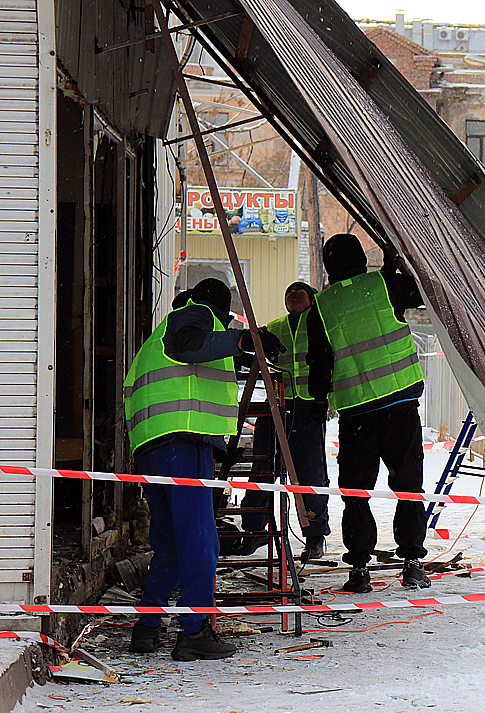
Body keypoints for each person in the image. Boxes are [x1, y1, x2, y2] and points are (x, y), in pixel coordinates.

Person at [123, 278, 284, 660]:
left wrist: (243, 351)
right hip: (184, 441)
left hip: (153, 447)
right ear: (219, 308)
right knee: (199, 542)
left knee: (171, 545)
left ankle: (147, 627)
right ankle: (194, 632)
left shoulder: (164, 329)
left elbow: (196, 357)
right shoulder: (197, 316)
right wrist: (243, 340)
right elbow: (191, 345)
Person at [306, 234, 430, 593]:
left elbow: (319, 365)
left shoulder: (322, 306)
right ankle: (411, 564)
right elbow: (423, 290)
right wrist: (396, 261)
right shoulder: (384, 283)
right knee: (408, 487)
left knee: (356, 492)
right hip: (400, 406)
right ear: (362, 258)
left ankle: (359, 570)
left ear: (329, 267)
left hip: (356, 414)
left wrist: (317, 400)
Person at [241, 281, 331, 561]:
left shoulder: (321, 323)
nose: (292, 294)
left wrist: (322, 400)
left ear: (312, 299)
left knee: (309, 476)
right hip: (275, 408)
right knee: (262, 468)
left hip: (307, 407)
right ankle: (253, 530)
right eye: (288, 292)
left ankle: (314, 536)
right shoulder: (276, 326)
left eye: (299, 291)